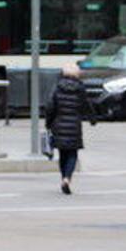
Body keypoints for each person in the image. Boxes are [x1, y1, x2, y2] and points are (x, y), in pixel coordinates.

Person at [45, 63, 96, 195]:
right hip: (74, 125)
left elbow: (50, 106)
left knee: (63, 154)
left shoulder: (57, 87)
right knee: (72, 154)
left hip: (59, 124)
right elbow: (87, 105)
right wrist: (92, 119)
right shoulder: (80, 88)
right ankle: (67, 179)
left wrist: (48, 123)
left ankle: (63, 179)